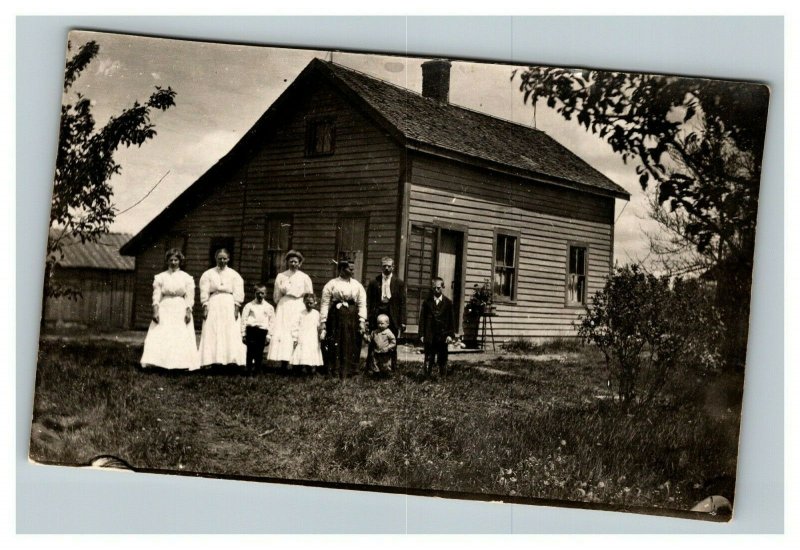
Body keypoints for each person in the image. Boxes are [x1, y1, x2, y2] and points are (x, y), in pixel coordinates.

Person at [140, 248, 200, 371]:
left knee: (179, 335)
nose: (173, 262)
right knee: (161, 333)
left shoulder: (186, 277)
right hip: (165, 307)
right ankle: (159, 362)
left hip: (180, 307)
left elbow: (190, 296)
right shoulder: (161, 277)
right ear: (167, 261)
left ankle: (180, 364)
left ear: (180, 261)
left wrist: (188, 311)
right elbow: (156, 295)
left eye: (176, 260)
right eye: (171, 260)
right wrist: (156, 310)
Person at [198, 248, 246, 368]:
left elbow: (238, 292)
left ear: (228, 259)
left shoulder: (234, 275)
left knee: (229, 331)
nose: (222, 261)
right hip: (214, 303)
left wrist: (236, 308)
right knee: (213, 330)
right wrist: (205, 306)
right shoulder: (208, 274)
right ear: (216, 259)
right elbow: (204, 292)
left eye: (225, 258)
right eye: (220, 258)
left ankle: (231, 360)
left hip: (229, 303)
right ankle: (214, 360)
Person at [320, 258, 367, 379]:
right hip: (335, 316)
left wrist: (362, 320)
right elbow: (325, 303)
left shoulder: (357, 285)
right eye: (349, 268)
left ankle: (350, 370)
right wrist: (323, 321)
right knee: (335, 341)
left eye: (353, 268)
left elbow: (362, 303)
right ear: (341, 269)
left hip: (352, 316)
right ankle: (334, 370)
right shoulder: (332, 284)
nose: (352, 270)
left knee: (351, 341)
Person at [267, 250, 313, 372]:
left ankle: (297, 363)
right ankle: (284, 362)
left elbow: (309, 295)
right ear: (287, 262)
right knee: (284, 333)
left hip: (299, 305)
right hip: (285, 307)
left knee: (298, 332)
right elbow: (276, 295)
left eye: (296, 262)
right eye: (291, 261)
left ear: (300, 263)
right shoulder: (281, 276)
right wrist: (280, 305)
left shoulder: (304, 277)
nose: (293, 264)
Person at [366, 256, 406, 371]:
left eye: (389, 266)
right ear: (381, 267)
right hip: (377, 313)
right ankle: (372, 367)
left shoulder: (399, 283)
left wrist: (403, 321)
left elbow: (402, 303)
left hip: (392, 315)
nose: (387, 268)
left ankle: (391, 367)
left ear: (393, 267)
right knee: (374, 341)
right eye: (384, 266)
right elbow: (369, 301)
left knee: (392, 341)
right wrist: (368, 318)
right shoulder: (374, 282)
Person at [418, 277, 456, 379]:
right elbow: (422, 319)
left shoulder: (448, 303)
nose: (436, 290)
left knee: (442, 357)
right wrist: (421, 334)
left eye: (438, 288)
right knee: (429, 356)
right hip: (430, 334)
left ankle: (442, 377)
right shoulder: (427, 302)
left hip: (443, 335)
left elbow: (451, 321)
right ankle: (427, 376)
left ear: (443, 287)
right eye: (434, 288)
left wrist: (450, 335)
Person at [241, 283, 275, 375]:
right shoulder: (249, 306)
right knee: (250, 351)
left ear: (266, 294)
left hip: (262, 331)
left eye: (262, 293)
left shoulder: (269, 307)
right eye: (258, 293)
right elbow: (244, 320)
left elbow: (272, 322)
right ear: (254, 293)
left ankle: (257, 370)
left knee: (259, 352)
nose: (260, 295)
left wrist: (269, 336)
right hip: (251, 330)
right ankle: (248, 370)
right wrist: (243, 334)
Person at [289, 293, 324, 375]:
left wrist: (321, 333)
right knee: (301, 352)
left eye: (311, 303)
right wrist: (295, 338)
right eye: (307, 302)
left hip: (312, 337)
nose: (309, 304)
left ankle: (311, 369)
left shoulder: (316, 314)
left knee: (311, 352)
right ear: (304, 302)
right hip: (302, 336)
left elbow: (319, 326)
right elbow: (295, 326)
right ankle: (298, 369)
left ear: (315, 302)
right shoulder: (300, 313)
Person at [366, 313, 397, 378]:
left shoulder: (388, 332)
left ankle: (386, 374)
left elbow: (393, 342)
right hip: (376, 351)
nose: (380, 325)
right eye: (378, 323)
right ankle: (376, 374)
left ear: (387, 324)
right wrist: (366, 337)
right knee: (375, 362)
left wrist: (388, 347)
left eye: (382, 323)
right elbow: (370, 339)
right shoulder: (374, 332)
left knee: (385, 364)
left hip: (385, 352)